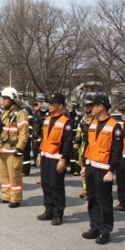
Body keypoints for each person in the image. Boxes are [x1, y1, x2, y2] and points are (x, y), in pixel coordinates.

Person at [81, 94, 122, 245]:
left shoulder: (114, 126)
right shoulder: (93, 123)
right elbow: (88, 145)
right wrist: (85, 165)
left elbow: (117, 151)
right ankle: (94, 227)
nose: (91, 108)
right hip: (91, 167)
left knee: (104, 201)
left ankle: (105, 231)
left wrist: (111, 171)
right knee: (92, 199)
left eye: (94, 105)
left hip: (104, 170)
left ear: (101, 107)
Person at [36, 93, 72, 225]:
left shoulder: (65, 122)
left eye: (52, 103)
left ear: (60, 105)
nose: (49, 105)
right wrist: (40, 154)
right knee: (46, 185)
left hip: (57, 159)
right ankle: (48, 210)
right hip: (46, 156)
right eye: (49, 103)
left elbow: (68, 143)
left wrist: (63, 160)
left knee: (56, 186)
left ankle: (58, 213)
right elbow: (44, 139)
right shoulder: (47, 120)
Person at [0, 87, 29, 207]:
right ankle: (6, 196)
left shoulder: (20, 114)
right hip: (3, 149)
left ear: (12, 99)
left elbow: (24, 134)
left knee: (14, 175)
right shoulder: (3, 113)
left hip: (13, 150)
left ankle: (15, 198)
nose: (3, 100)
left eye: (6, 98)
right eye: (2, 98)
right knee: (3, 174)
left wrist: (19, 149)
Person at [73, 95, 94, 198]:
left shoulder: (97, 118)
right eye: (86, 106)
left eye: (89, 106)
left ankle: (93, 190)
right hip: (84, 145)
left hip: (94, 147)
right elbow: (79, 130)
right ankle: (85, 189)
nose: (87, 108)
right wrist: (76, 143)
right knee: (83, 168)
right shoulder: (83, 119)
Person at [65, 101, 83, 175]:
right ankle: (72, 169)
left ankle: (77, 169)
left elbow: (79, 127)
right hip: (69, 136)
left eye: (70, 106)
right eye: (68, 106)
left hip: (76, 136)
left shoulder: (79, 116)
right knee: (71, 154)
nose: (68, 108)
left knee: (76, 154)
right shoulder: (67, 115)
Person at [18, 91, 34, 177]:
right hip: (20, 134)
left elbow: (30, 123)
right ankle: (22, 168)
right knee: (21, 153)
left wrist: (28, 134)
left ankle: (25, 170)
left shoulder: (27, 109)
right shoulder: (20, 109)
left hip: (26, 134)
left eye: (19, 98)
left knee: (26, 153)